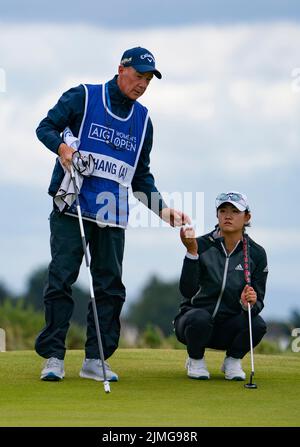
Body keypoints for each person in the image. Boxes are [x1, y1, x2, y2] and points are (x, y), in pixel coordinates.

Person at [35, 46, 190, 382]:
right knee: (62, 279)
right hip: (71, 205)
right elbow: (46, 127)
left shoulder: (143, 121)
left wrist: (162, 210)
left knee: (110, 288)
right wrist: (62, 149)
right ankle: (53, 355)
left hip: (111, 212)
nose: (142, 84)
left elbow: (140, 176)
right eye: (138, 76)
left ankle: (97, 358)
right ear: (121, 69)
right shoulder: (83, 97)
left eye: (148, 79)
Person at [174, 191, 268, 380]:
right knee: (199, 318)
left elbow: (257, 304)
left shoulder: (256, 254)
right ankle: (195, 359)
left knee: (257, 325)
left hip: (228, 327)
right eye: (223, 210)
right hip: (194, 323)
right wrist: (192, 252)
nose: (228, 215)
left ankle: (232, 361)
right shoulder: (200, 244)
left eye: (235, 211)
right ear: (217, 215)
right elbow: (187, 290)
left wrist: (248, 302)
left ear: (247, 217)